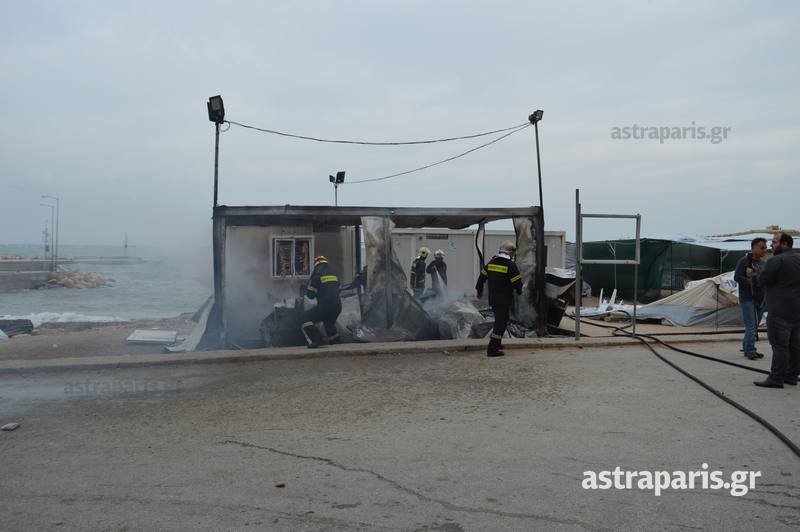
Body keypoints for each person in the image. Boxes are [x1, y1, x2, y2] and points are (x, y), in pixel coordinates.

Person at [753, 232, 800, 388]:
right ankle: (792, 376)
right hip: (797, 311)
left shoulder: (776, 260)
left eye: (774, 242)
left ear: (785, 244)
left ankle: (776, 378)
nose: (771, 245)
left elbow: (763, 280)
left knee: (780, 346)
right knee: (795, 346)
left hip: (779, 310)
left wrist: (755, 273)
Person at [475, 241, 523, 357]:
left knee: (502, 320)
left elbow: (481, 277)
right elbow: (517, 283)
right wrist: (520, 290)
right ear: (510, 252)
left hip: (494, 299)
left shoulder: (491, 262)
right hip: (504, 299)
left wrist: (479, 290)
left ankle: (497, 344)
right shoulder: (510, 265)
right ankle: (492, 349)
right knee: (500, 323)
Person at [734, 237, 767, 360]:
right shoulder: (744, 261)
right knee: (751, 326)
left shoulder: (764, 264)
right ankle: (750, 350)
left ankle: (747, 346)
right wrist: (750, 281)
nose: (764, 249)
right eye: (761, 247)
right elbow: (737, 277)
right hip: (748, 298)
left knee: (755, 326)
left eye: (765, 247)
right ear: (753, 248)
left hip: (760, 298)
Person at [300, 256, 342, 348]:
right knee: (329, 323)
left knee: (305, 318)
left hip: (325, 306)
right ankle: (336, 343)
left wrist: (305, 289)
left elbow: (311, 295)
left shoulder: (317, 274)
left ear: (316, 265)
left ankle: (317, 339)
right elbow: (338, 289)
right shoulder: (334, 274)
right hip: (337, 306)